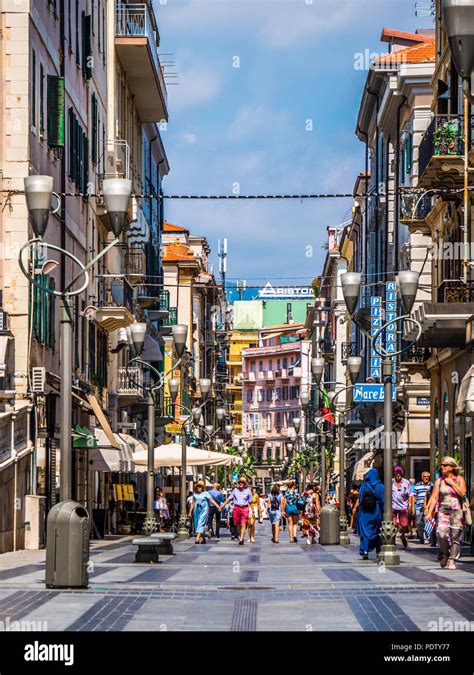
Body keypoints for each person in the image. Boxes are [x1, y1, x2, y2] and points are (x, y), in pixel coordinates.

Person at [426, 457, 467, 570]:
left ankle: (452, 559)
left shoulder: (459, 479)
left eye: (445, 465)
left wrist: (451, 483)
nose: (442, 467)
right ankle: (445, 552)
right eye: (442, 465)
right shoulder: (439, 481)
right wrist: (429, 512)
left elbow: (463, 493)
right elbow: (434, 498)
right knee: (441, 533)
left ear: (452, 467)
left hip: (456, 512)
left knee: (455, 537)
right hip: (443, 512)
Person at [356, 467, 384, 560]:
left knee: (365, 532)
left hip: (364, 513)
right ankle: (378, 550)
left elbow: (360, 499)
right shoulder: (380, 487)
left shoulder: (364, 486)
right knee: (376, 531)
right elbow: (384, 501)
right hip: (376, 512)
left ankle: (365, 550)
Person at [188, 480, 222, 544]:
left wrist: (218, 506)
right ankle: (204, 539)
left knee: (201, 523)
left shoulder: (206, 493)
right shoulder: (195, 494)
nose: (198, 488)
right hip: (196, 510)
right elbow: (192, 503)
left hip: (204, 510)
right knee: (198, 523)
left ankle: (197, 538)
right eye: (197, 486)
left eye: (200, 486)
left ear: (202, 487)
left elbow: (212, 501)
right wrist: (190, 512)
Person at [222, 477, 253, 545]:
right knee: (237, 524)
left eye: (242, 482)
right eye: (239, 482)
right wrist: (222, 505)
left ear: (245, 484)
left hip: (245, 508)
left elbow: (250, 501)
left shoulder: (248, 491)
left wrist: (252, 510)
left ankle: (241, 538)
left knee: (243, 524)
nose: (240, 483)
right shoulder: (235, 490)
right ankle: (239, 535)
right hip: (236, 508)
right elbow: (229, 499)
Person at [392, 466, 413, 549]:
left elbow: (411, 495)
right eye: (397, 472)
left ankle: (403, 536)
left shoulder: (406, 482)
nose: (398, 474)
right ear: (394, 473)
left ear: (402, 473)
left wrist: (411, 506)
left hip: (403, 506)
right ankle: (393, 537)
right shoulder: (391, 482)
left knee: (404, 524)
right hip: (393, 506)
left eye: (399, 472)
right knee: (393, 524)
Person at [412, 471, 433, 543]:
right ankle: (421, 537)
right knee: (418, 523)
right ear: (422, 477)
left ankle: (426, 538)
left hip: (427, 507)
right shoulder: (417, 485)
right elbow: (414, 496)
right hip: (418, 507)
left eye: (427, 476)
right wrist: (413, 507)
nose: (426, 478)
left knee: (426, 523)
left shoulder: (431, 485)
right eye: (425, 476)